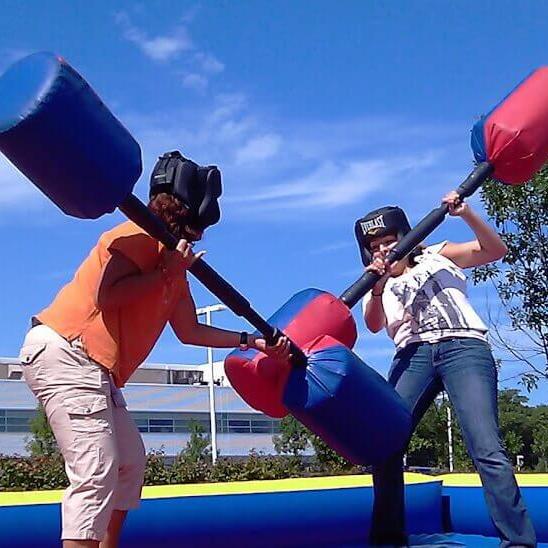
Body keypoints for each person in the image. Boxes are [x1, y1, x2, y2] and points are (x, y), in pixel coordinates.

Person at [18, 151, 290, 548]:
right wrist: (167, 273)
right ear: (188, 214)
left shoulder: (171, 264)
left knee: (128, 465)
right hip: (67, 350)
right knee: (96, 471)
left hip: (98, 370)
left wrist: (252, 341)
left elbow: (190, 330)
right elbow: (108, 295)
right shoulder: (135, 236)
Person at [356, 191, 536, 547]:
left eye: (390, 242)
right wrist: (377, 287)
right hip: (413, 354)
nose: (384, 250)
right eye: (375, 246)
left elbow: (494, 250)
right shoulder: (374, 283)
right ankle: (388, 539)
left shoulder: (437, 254)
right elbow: (374, 325)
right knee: (385, 443)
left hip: (463, 346)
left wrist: (466, 213)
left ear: (406, 238)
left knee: (486, 445)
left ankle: (518, 541)